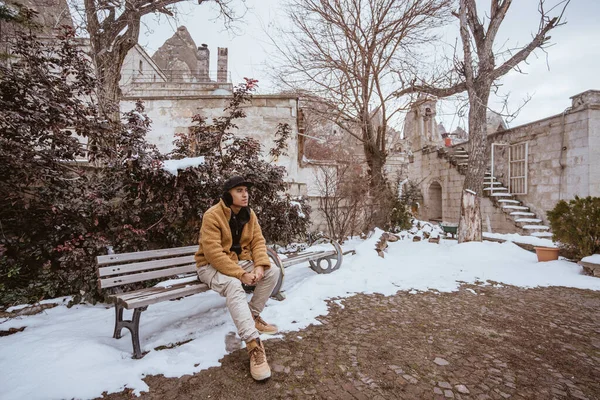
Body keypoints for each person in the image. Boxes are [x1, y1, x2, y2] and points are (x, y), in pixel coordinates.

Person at [195, 176, 280, 381]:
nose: (245, 194)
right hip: (209, 266)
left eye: (246, 190)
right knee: (234, 284)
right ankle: (254, 346)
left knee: (273, 271)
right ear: (228, 194)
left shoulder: (249, 215)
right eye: (239, 190)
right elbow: (214, 254)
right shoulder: (213, 215)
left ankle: (252, 316)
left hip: (237, 263)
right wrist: (242, 274)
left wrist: (259, 265)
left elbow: (258, 242)